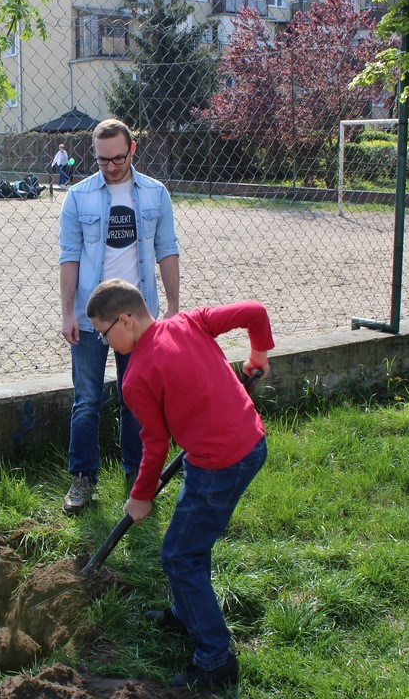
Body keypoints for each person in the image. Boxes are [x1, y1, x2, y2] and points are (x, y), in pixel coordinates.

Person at [85, 278, 273, 692]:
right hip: (250, 440)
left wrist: (139, 498)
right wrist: (259, 352)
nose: (104, 342)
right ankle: (188, 610)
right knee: (190, 542)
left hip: (220, 463)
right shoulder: (191, 321)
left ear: (127, 320)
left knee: (178, 556)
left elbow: (154, 446)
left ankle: (215, 659)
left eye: (104, 334)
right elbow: (255, 312)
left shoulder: (136, 379)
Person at [58, 118, 179, 514]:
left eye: (117, 159)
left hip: (138, 321)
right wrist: (67, 314)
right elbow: (70, 257)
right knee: (87, 399)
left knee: (137, 399)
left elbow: (167, 250)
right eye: (101, 160)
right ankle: (83, 480)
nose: (110, 167)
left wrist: (174, 310)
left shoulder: (156, 194)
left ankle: (136, 477)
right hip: (91, 318)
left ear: (133, 150)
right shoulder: (78, 198)